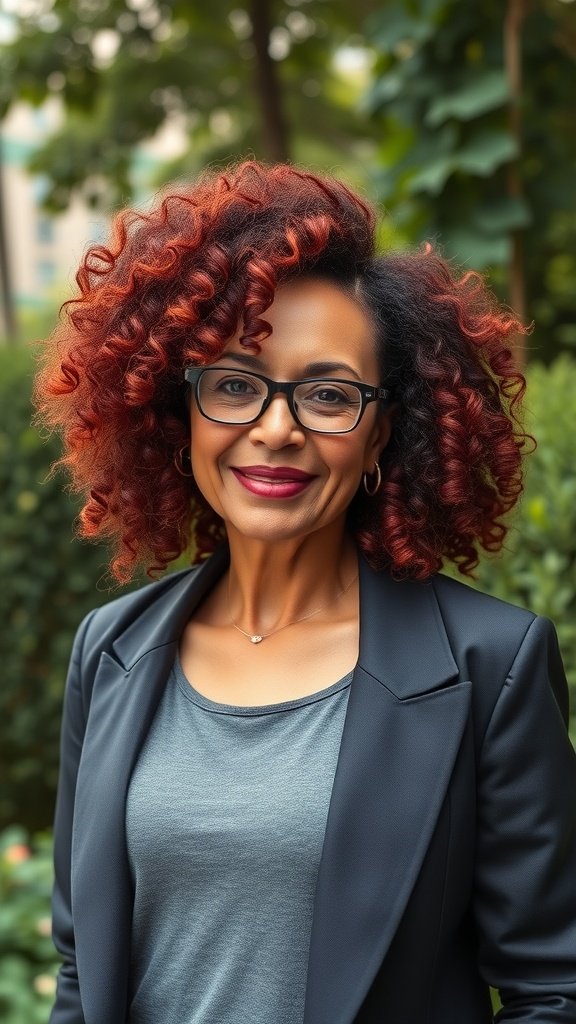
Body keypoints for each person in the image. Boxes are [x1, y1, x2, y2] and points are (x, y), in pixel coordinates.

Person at [36, 161, 576, 1024]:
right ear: (182, 411)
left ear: (379, 435)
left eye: (327, 394)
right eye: (235, 384)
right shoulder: (111, 651)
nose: (277, 428)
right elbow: (82, 971)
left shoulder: (491, 667)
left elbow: (554, 989)